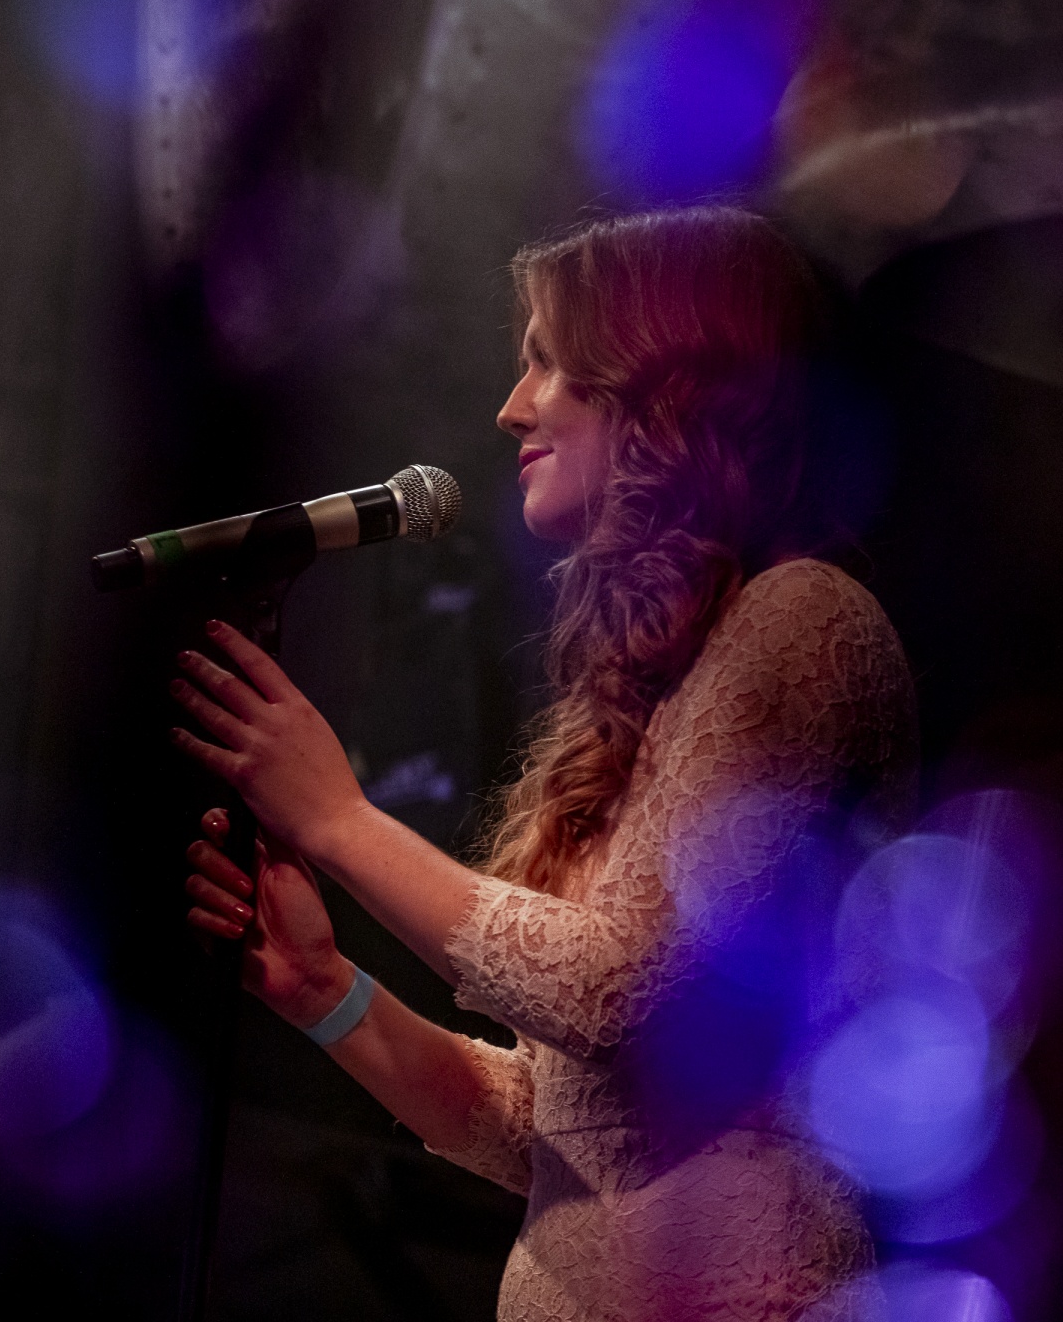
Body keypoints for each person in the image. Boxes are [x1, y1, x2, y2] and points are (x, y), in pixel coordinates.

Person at [173, 207, 918, 1321]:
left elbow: (616, 991)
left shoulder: (803, 620)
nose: (512, 407)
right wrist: (328, 991)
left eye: (549, 362)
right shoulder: (653, 689)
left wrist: (338, 821)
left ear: (666, 386)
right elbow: (559, 1132)